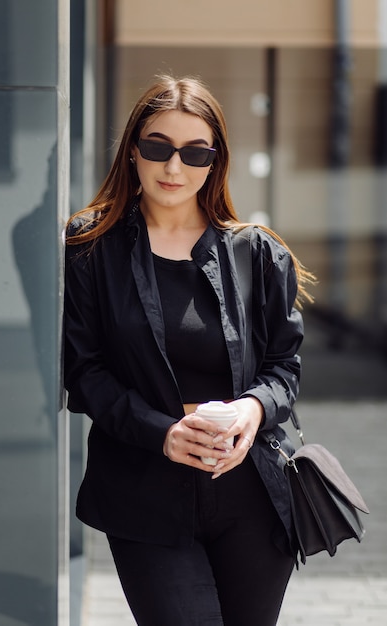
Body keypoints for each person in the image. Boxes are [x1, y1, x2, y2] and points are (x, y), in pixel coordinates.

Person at [64, 75, 314, 626]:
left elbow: (284, 369)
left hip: (251, 493)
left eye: (194, 152)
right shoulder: (89, 250)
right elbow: (84, 375)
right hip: (142, 492)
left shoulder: (258, 253)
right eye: (158, 147)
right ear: (133, 150)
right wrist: (166, 434)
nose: (173, 168)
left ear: (215, 160)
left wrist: (252, 409)